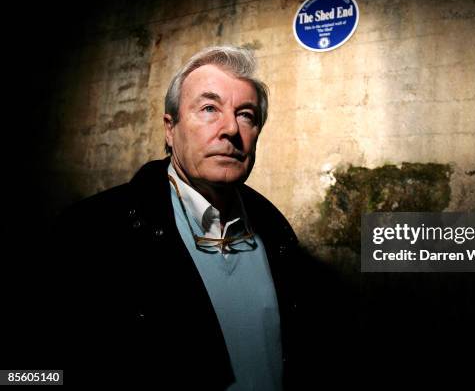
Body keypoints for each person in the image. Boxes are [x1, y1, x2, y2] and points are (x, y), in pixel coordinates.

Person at [53, 46, 300, 389]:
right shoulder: (91, 231)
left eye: (246, 115)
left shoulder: (277, 232)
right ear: (170, 130)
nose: (231, 128)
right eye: (209, 108)